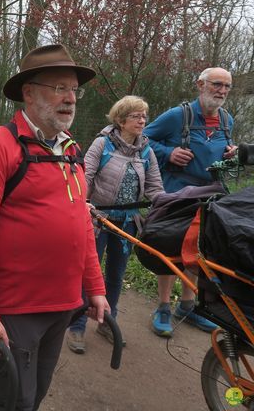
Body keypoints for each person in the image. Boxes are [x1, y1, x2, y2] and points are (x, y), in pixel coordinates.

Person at [0, 44, 109, 411]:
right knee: (11, 401)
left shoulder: (71, 149)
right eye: (59, 87)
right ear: (28, 93)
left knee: (36, 396)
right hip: (17, 309)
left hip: (62, 304)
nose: (70, 98)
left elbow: (81, 225)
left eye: (74, 89)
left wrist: (94, 287)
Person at [66, 96, 164, 354]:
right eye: (136, 116)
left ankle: (107, 323)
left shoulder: (146, 151)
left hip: (128, 223)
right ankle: (75, 325)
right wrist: (80, 208)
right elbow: (83, 179)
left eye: (144, 116)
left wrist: (167, 207)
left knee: (115, 276)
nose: (142, 120)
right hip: (97, 219)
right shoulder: (102, 145)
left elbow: (155, 187)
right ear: (121, 120)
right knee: (88, 273)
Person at [144, 67, 237, 337]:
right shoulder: (177, 116)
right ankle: (162, 306)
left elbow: (217, 152)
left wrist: (229, 154)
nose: (222, 91)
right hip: (175, 193)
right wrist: (168, 152)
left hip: (209, 195)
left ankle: (187, 306)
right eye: (217, 85)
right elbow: (143, 138)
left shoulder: (226, 120)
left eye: (227, 87)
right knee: (169, 247)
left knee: (197, 252)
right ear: (200, 85)